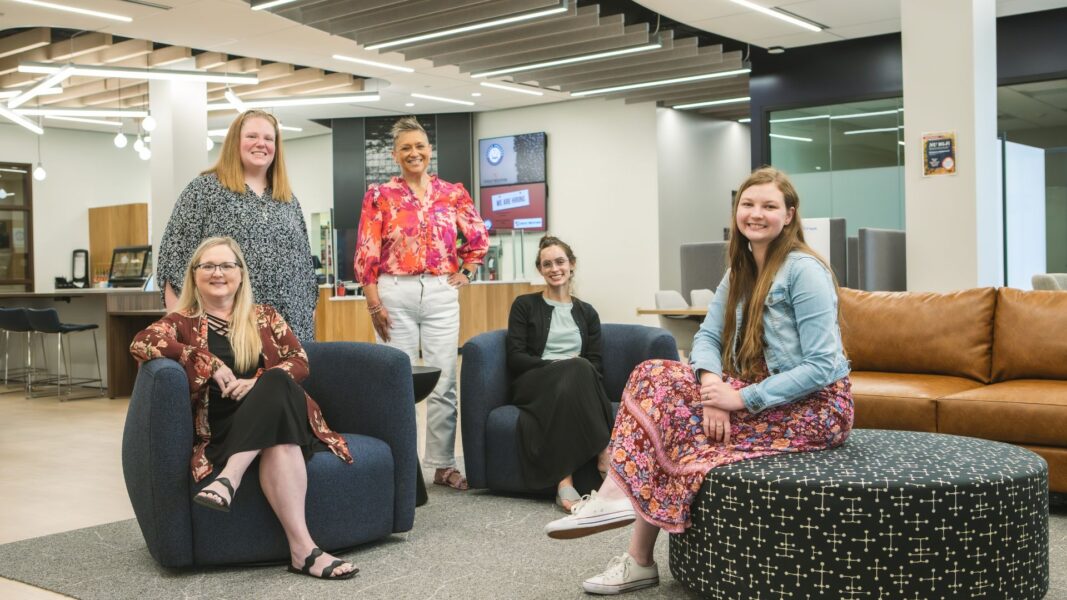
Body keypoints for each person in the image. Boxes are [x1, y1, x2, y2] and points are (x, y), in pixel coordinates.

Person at [543, 167, 853, 595]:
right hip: (742, 390)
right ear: (736, 211)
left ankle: (635, 551)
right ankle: (616, 498)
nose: (756, 213)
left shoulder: (804, 271)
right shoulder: (740, 270)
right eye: (748, 204)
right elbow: (706, 336)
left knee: (680, 434)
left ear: (789, 214)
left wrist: (739, 401)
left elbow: (823, 365)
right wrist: (712, 394)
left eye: (769, 206)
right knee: (651, 373)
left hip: (814, 406)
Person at [130, 237, 357, 581]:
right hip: (226, 427)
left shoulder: (264, 316)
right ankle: (303, 552)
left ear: (240, 274)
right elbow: (142, 341)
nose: (217, 273)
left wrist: (257, 382)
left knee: (277, 382)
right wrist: (204, 360)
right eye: (207, 266)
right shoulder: (181, 321)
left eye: (226, 265)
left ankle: (229, 478)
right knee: (280, 440)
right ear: (194, 275)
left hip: (277, 406)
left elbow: (300, 362)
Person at [354, 116, 489, 491]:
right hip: (394, 291)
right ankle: (401, 463)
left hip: (441, 291)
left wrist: (470, 270)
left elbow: (477, 236)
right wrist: (373, 302)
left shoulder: (452, 193)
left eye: (420, 146)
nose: (414, 153)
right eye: (406, 148)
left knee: (444, 380)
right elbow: (367, 250)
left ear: (430, 150)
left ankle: (444, 464)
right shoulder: (380, 195)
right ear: (395, 155)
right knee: (397, 381)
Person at [156, 109, 318, 343]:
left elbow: (305, 269)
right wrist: (182, 329)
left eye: (268, 138)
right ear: (235, 142)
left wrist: (308, 314)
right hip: (228, 330)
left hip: (291, 329)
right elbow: (173, 261)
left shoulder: (287, 200)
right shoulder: (204, 190)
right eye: (252, 136)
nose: (261, 144)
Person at [506, 236, 614, 511]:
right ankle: (604, 454)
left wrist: (571, 368)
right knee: (577, 367)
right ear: (540, 270)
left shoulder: (587, 312)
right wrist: (557, 365)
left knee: (580, 371)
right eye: (547, 264)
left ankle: (564, 483)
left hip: (575, 380)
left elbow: (596, 363)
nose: (554, 268)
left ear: (572, 265)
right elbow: (516, 357)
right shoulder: (524, 305)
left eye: (560, 261)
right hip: (534, 381)